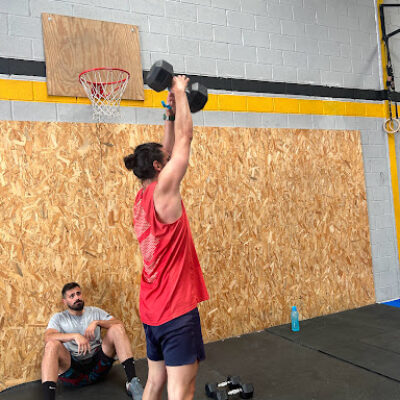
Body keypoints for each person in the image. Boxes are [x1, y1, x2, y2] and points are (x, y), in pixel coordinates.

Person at [123, 75, 209, 400]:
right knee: (181, 390)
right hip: (175, 310)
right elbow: (186, 139)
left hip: (152, 310)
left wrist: (170, 113)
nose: (170, 158)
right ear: (160, 167)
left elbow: (170, 146)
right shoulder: (165, 192)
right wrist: (180, 91)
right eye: (165, 159)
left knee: (154, 383)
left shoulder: (141, 199)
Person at [41, 282, 143, 400]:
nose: (77, 297)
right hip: (73, 373)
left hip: (98, 368)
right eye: (72, 296)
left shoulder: (95, 312)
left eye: (78, 293)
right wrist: (74, 336)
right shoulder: (58, 318)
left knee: (117, 329)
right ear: (65, 301)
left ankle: (133, 382)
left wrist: (98, 322)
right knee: (51, 345)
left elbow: (119, 324)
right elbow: (48, 337)